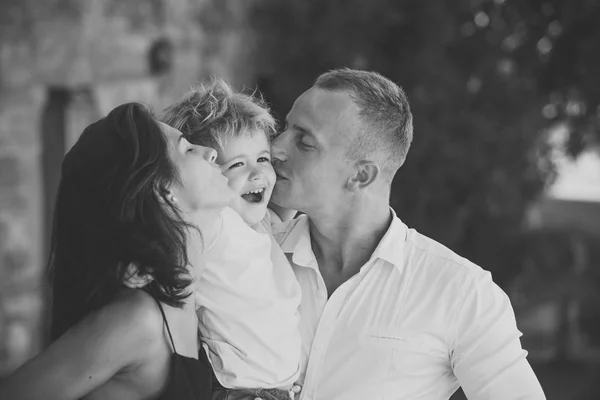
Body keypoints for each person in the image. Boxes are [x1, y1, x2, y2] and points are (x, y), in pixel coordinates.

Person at [269, 68, 547, 400]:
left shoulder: (462, 294)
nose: (275, 148)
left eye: (304, 141)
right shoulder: (247, 253)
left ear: (361, 175)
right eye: (285, 128)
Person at [0, 102, 236, 400]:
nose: (210, 151)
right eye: (188, 149)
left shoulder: (197, 289)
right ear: (163, 191)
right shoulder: (137, 320)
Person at [162, 80, 302, 400]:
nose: (256, 174)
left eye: (263, 159)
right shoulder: (214, 221)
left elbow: (290, 190)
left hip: (282, 391)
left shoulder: (263, 223)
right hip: (238, 390)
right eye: (237, 164)